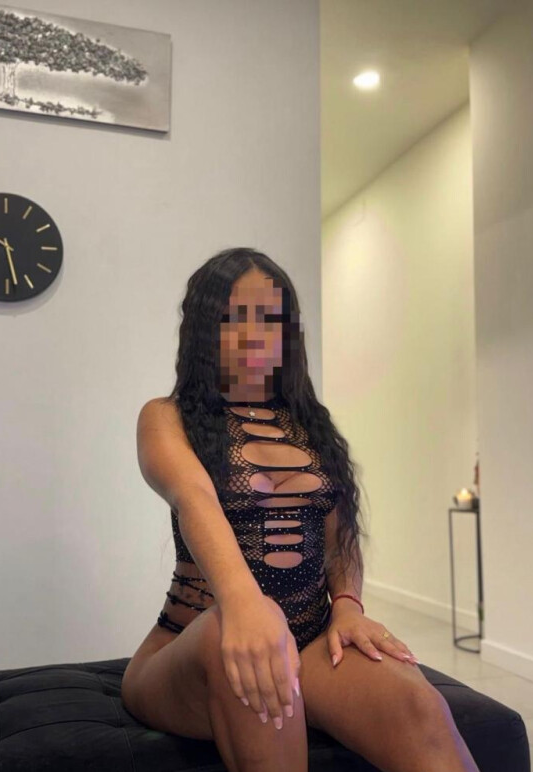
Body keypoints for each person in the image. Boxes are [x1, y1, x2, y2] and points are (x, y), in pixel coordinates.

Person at [120, 247, 480, 772]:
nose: (254, 335)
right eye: (233, 318)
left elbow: (340, 542)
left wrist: (348, 608)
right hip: (188, 647)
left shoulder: (311, 425)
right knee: (235, 638)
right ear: (202, 329)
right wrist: (244, 605)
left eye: (269, 318)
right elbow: (194, 498)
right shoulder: (165, 417)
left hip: (308, 644)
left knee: (417, 706)